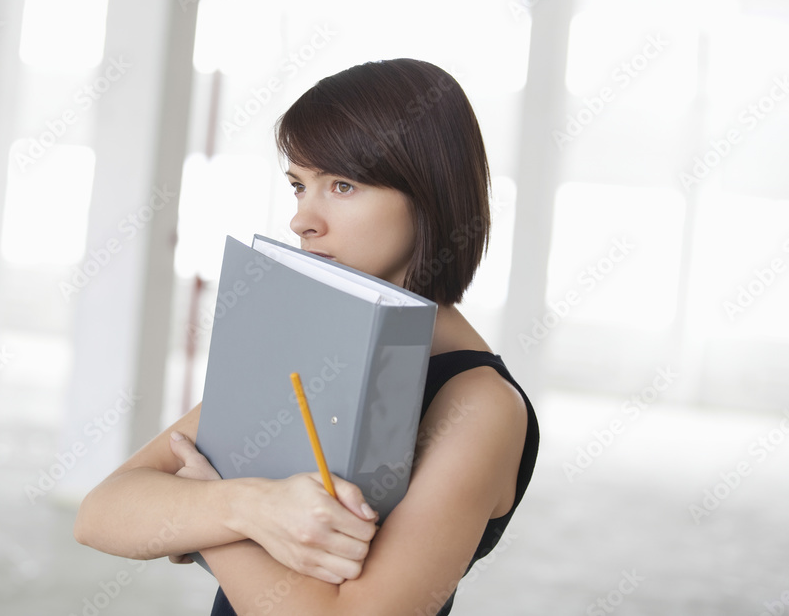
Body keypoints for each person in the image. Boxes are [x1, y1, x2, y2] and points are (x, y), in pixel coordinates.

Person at [74, 58, 539, 616]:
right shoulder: (316, 343)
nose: (302, 220)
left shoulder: (479, 404)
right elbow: (102, 512)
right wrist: (248, 507)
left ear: (430, 194)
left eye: (342, 185)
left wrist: (204, 515)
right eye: (299, 187)